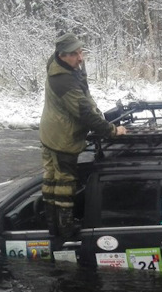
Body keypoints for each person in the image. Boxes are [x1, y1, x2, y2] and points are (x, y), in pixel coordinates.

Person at [39, 33, 126, 240]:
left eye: (81, 52)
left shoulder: (60, 65)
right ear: (62, 55)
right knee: (64, 183)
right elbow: (84, 111)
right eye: (75, 54)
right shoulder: (63, 81)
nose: (80, 58)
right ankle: (66, 230)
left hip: (50, 132)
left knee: (50, 179)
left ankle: (52, 227)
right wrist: (112, 130)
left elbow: (85, 97)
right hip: (62, 138)